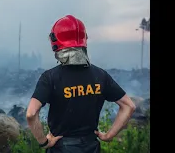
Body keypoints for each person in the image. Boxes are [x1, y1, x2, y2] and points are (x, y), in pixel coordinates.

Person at [26, 15, 136, 153]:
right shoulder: (100, 75)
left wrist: (44, 142)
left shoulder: (50, 77)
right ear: (84, 41)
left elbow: (31, 113)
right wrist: (109, 135)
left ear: (56, 42)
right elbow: (129, 106)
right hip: (92, 147)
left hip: (61, 147)